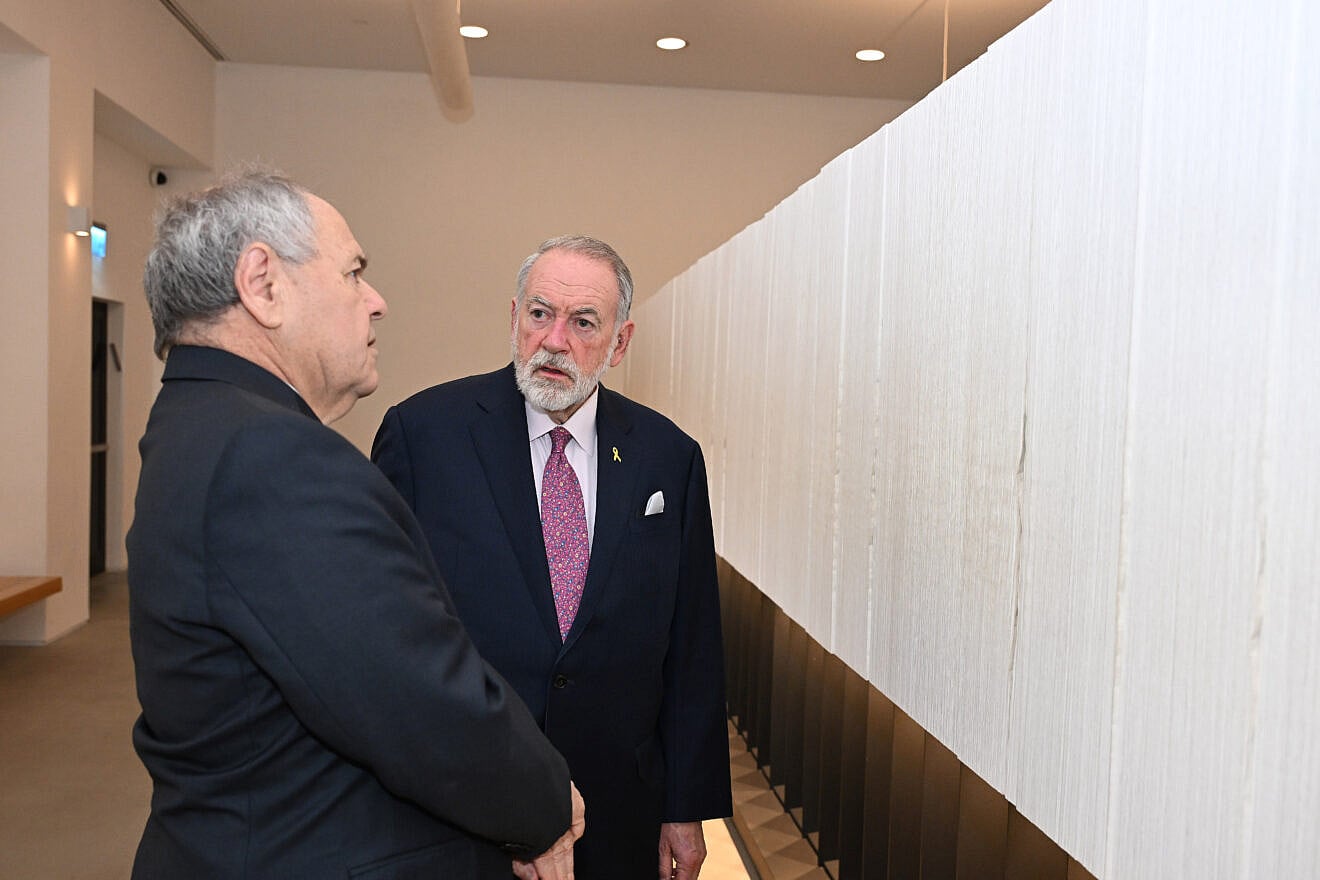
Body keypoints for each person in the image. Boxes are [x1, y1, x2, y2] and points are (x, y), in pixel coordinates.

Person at [127, 170, 584, 879]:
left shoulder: (203, 422)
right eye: (353, 272)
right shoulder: (270, 456)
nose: (376, 302)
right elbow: (418, 700)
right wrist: (545, 805)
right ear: (263, 283)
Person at [372, 235, 732, 879]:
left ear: (619, 343)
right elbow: (383, 633)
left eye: (584, 322)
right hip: (459, 811)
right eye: (540, 314)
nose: (555, 340)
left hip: (616, 812)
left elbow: (691, 644)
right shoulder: (424, 435)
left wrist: (686, 806)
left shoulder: (667, 459)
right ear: (515, 319)